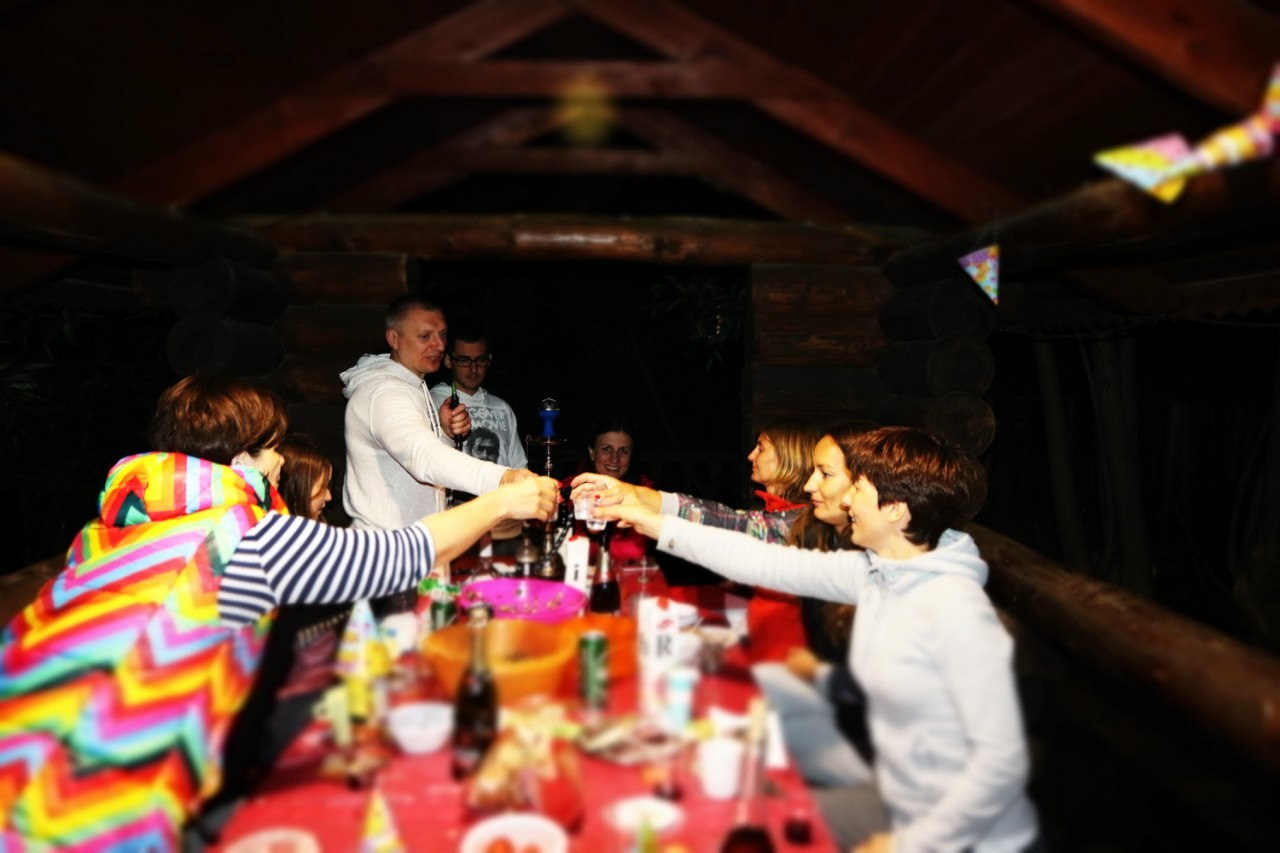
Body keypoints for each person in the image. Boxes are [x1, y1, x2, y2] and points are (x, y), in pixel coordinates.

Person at [0, 375, 558, 851]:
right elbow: (399, 556)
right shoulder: (237, 536)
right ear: (240, 458)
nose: (282, 460)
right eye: (272, 448)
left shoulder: (118, 527)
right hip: (82, 802)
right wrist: (501, 501)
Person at [579, 426, 1039, 853]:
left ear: (895, 509)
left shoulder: (954, 609)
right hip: (898, 791)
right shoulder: (879, 573)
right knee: (727, 790)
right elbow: (762, 561)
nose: (845, 500)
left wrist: (905, 844)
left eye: (857, 488)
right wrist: (644, 518)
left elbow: (1000, 765)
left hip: (962, 831)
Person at [342, 295, 535, 531]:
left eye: (442, 335)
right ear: (394, 339)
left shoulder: (412, 385)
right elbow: (423, 457)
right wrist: (503, 477)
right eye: (425, 337)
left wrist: (444, 433)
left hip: (416, 539)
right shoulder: (386, 393)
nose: (440, 346)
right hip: (387, 544)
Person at [429, 322, 528, 471]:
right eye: (464, 360)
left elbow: (519, 466)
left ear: (489, 360)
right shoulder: (433, 401)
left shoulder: (502, 407)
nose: (473, 369)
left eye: (480, 360)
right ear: (448, 361)